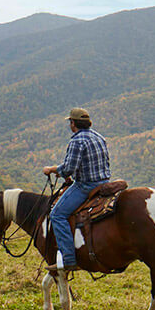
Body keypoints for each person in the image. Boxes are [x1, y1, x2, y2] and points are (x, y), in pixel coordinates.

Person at [42, 108, 111, 272]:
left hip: (86, 185)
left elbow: (68, 169)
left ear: (73, 123)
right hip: (104, 182)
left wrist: (52, 169)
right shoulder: (99, 137)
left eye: (70, 122)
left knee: (57, 215)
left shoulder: (77, 141)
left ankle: (69, 259)